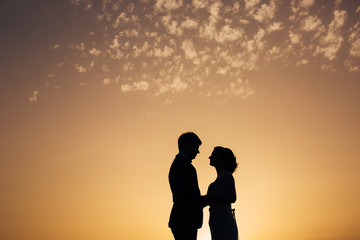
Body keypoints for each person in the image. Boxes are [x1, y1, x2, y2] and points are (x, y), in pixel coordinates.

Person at [168, 132, 205, 240]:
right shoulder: (184, 166)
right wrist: (209, 199)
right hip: (185, 219)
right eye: (196, 147)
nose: (198, 151)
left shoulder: (180, 164)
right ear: (188, 144)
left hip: (183, 219)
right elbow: (188, 196)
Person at [206, 146, 238, 240]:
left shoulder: (227, 176)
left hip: (223, 220)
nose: (210, 157)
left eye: (213, 155)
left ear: (220, 158)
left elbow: (232, 197)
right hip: (216, 220)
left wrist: (210, 198)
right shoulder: (221, 176)